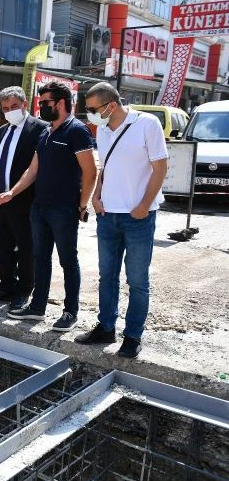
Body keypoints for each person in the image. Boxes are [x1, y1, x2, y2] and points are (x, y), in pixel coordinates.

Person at [0, 81, 97, 330]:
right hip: (39, 207)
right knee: (41, 257)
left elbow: (91, 171)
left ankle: (70, 312)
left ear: (60, 103)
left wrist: (82, 205)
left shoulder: (77, 131)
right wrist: (11, 193)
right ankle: (38, 307)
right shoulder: (46, 131)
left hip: (64, 209)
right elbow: (33, 170)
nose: (41, 107)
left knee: (68, 260)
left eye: (45, 103)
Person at [74, 82, 168, 359]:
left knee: (137, 280)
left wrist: (143, 205)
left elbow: (160, 167)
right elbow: (105, 164)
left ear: (110, 106)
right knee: (107, 276)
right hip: (108, 214)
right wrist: (97, 196)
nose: (89, 115)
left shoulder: (146, 124)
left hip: (139, 216)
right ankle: (106, 327)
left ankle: (133, 335)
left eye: (92, 109)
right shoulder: (102, 130)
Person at [0, 86, 48, 311]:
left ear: (25, 104)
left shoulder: (40, 129)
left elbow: (38, 169)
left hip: (25, 200)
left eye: (14, 107)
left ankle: (24, 289)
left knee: (26, 247)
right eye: (5, 108)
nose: (10, 111)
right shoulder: (1, 131)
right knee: (3, 247)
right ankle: (6, 285)